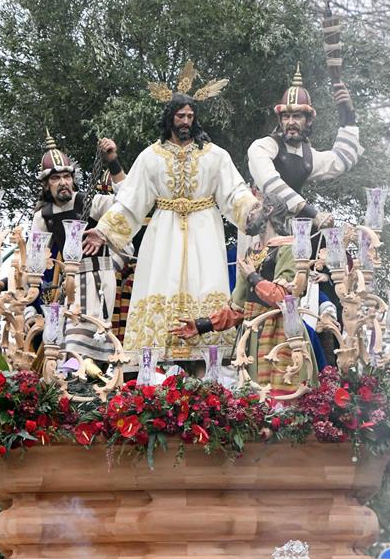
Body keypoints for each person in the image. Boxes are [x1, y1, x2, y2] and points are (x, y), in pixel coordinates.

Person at [84, 72, 258, 360]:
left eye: (190, 115)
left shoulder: (216, 156)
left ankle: (209, 367)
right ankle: (154, 371)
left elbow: (234, 192)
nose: (186, 121)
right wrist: (103, 230)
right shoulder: (150, 157)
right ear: (170, 118)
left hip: (204, 232)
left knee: (206, 288)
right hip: (163, 234)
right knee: (159, 288)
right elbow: (131, 199)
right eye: (180, 116)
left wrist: (252, 210)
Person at [171, 193, 319, 394]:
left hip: (281, 334)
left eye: (256, 207)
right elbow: (238, 309)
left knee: (282, 398)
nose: (249, 213)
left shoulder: (289, 248)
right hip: (253, 336)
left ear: (269, 211)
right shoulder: (251, 253)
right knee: (256, 400)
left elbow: (284, 299)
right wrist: (201, 324)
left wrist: (253, 277)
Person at [31, 131, 132, 362]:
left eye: (66, 176)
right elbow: (34, 261)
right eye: (56, 178)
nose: (63, 182)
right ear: (47, 185)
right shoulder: (43, 218)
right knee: (69, 340)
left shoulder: (89, 202)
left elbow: (126, 202)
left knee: (93, 335)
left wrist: (113, 163)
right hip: (70, 283)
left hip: (99, 277)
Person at [248, 65, 363, 229]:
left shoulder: (308, 156)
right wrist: (313, 214)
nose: (291, 122)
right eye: (286, 117)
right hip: (259, 229)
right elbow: (270, 184)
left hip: (292, 231)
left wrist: (348, 116)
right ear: (280, 121)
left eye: (297, 116)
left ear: (308, 121)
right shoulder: (261, 147)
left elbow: (341, 160)